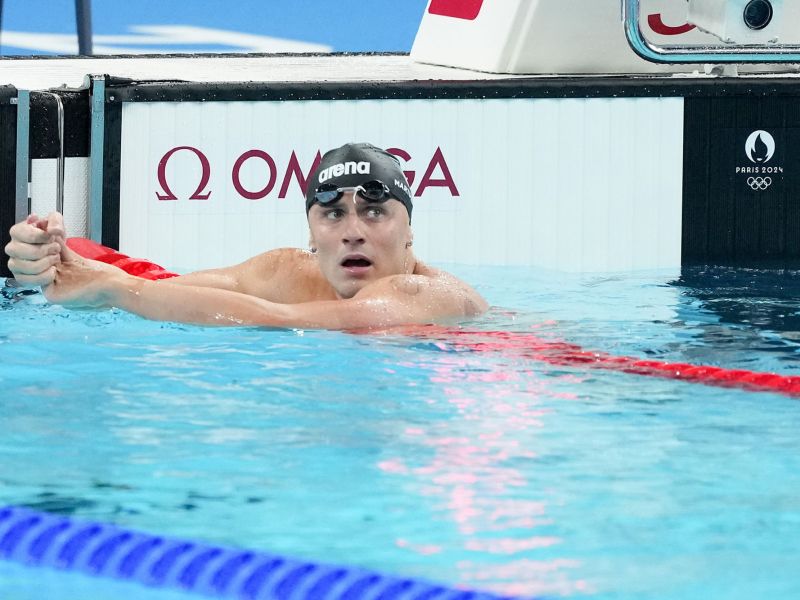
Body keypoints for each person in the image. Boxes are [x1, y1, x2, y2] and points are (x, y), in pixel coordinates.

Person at [4, 142, 487, 329]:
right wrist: (60, 268)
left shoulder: (426, 296)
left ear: (410, 233)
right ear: (312, 235)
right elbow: (169, 291)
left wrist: (117, 286)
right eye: (333, 215)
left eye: (375, 212)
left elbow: (279, 319)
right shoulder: (283, 270)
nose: (353, 233)